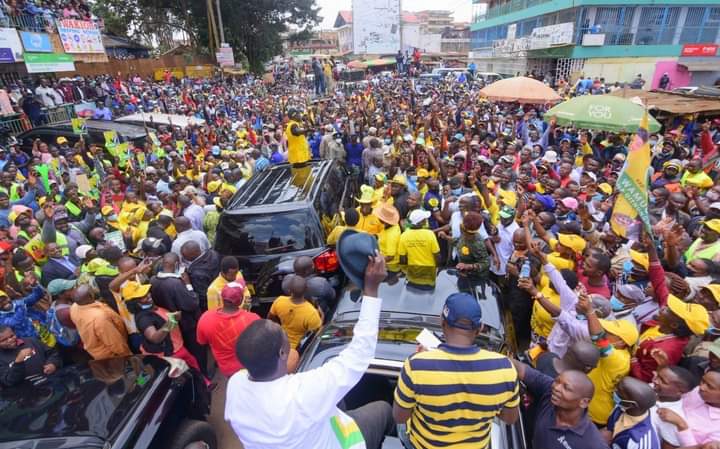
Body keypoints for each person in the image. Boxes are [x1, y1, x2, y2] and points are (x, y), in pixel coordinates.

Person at [226, 252, 394, 449]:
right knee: (383, 409)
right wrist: (371, 289)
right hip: (340, 443)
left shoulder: (235, 385)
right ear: (282, 354)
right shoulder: (303, 392)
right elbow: (360, 353)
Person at [393, 292, 520, 448]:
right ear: (479, 328)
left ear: (442, 322)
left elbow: (400, 417)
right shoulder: (505, 368)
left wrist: (426, 362)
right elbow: (510, 418)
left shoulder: (416, 365)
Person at [511, 359, 609, 449]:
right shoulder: (549, 390)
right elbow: (522, 370)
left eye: (566, 388)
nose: (556, 388)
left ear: (584, 402)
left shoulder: (593, 443)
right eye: (557, 381)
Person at [197, 282, 261, 377]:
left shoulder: (205, 318)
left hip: (227, 369)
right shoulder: (254, 319)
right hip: (250, 366)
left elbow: (202, 342)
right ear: (240, 301)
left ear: (222, 297)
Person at [657, 369, 720, 447]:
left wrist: (681, 424)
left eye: (710, 387)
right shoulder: (696, 392)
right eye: (703, 381)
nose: (702, 387)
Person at [69, 284, 131, 360]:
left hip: (95, 350)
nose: (94, 290)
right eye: (92, 290)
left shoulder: (74, 307)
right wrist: (128, 356)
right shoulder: (99, 318)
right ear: (90, 296)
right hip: (111, 355)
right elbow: (114, 342)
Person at [268, 275, 322, 349]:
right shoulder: (312, 313)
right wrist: (322, 315)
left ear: (289, 290)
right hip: (298, 348)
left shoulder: (279, 301)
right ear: (306, 290)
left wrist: (279, 328)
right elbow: (317, 334)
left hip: (281, 342)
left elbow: (270, 318)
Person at [649, 366, 697, 448]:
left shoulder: (672, 418)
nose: (655, 381)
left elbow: (668, 446)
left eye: (663, 381)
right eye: (658, 376)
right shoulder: (649, 388)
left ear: (679, 392)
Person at [606, 377, 660, 449]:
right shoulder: (621, 407)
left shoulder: (642, 442)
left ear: (632, 404)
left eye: (619, 393)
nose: (614, 392)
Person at [399, 209, 440, 288]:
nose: (426, 220)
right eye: (425, 219)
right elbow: (437, 255)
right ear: (421, 222)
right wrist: (437, 267)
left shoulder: (404, 235)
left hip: (412, 276)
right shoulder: (429, 234)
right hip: (429, 275)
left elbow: (402, 258)